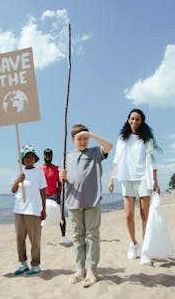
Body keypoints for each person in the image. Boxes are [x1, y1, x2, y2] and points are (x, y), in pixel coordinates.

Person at [59, 124, 112, 287]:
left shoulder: (95, 152)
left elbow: (109, 146)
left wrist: (91, 134)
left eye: (85, 138)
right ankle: (80, 269)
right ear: (72, 140)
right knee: (77, 237)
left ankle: (91, 269)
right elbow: (63, 180)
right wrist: (61, 176)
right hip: (73, 202)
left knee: (92, 236)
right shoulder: (66, 157)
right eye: (79, 138)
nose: (82, 141)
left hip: (92, 201)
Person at [108, 109, 161, 265]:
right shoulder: (122, 138)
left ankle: (145, 250)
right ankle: (133, 243)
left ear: (142, 121)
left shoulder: (147, 139)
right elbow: (116, 158)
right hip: (127, 178)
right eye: (132, 118)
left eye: (137, 119)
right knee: (128, 215)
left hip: (144, 178)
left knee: (145, 215)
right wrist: (112, 178)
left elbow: (153, 161)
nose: (134, 121)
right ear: (128, 119)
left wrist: (155, 182)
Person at [11, 145, 47, 276]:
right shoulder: (18, 172)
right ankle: (23, 264)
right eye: (26, 157)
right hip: (19, 209)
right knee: (20, 238)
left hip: (34, 210)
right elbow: (13, 190)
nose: (29, 159)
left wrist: (44, 208)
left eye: (31, 156)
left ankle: (36, 265)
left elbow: (43, 190)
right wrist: (18, 180)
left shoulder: (39, 172)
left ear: (35, 159)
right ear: (22, 160)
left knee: (35, 239)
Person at [38, 148, 72, 246]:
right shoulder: (39, 168)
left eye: (49, 155)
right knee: (40, 217)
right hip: (42, 197)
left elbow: (60, 183)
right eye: (46, 155)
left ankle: (64, 237)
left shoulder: (57, 168)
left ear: (52, 156)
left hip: (54, 196)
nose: (48, 157)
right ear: (44, 156)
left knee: (61, 216)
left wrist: (58, 195)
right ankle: (37, 238)